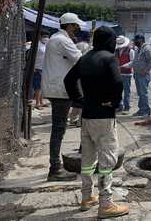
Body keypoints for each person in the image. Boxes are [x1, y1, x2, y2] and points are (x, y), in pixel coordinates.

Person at [64, 26, 129, 219]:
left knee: (88, 159)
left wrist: (79, 100)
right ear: (109, 41)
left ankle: (86, 197)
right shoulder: (109, 58)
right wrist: (115, 102)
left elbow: (69, 80)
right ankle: (106, 204)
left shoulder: (85, 58)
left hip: (87, 116)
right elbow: (118, 83)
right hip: (104, 117)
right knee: (107, 160)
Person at [42, 12, 84, 181]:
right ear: (69, 25)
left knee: (59, 128)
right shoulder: (62, 40)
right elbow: (80, 59)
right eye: (76, 26)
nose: (77, 29)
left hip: (57, 88)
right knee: (59, 129)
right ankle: (55, 169)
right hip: (60, 90)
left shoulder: (56, 39)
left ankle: (55, 166)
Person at [123, 34, 151, 117]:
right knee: (140, 93)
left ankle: (145, 111)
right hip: (137, 74)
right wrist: (124, 66)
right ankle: (142, 110)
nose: (135, 42)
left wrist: (146, 70)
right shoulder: (138, 49)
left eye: (136, 40)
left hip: (144, 75)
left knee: (143, 93)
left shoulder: (147, 48)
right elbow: (134, 62)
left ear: (141, 40)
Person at [115, 36, 134, 115]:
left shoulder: (131, 51)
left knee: (126, 91)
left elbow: (133, 62)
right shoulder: (116, 51)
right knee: (118, 91)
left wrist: (123, 66)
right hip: (118, 73)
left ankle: (127, 107)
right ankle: (120, 106)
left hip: (127, 74)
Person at [33, 31, 50, 109]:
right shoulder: (37, 45)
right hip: (37, 68)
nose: (46, 38)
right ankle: (37, 103)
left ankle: (41, 101)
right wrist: (33, 66)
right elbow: (32, 56)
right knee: (38, 87)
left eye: (47, 36)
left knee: (43, 86)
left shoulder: (46, 45)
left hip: (45, 68)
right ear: (40, 37)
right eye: (44, 36)